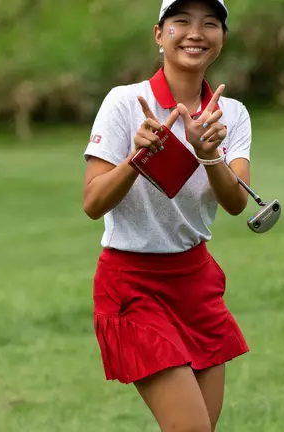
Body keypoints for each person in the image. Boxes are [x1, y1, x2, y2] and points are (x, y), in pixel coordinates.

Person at [82, 0, 252, 430]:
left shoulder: (231, 114)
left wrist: (209, 154)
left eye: (209, 24)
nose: (196, 33)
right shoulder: (125, 102)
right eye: (181, 22)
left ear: (221, 39)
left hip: (196, 282)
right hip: (133, 284)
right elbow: (92, 202)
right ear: (159, 35)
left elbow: (235, 204)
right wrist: (138, 157)